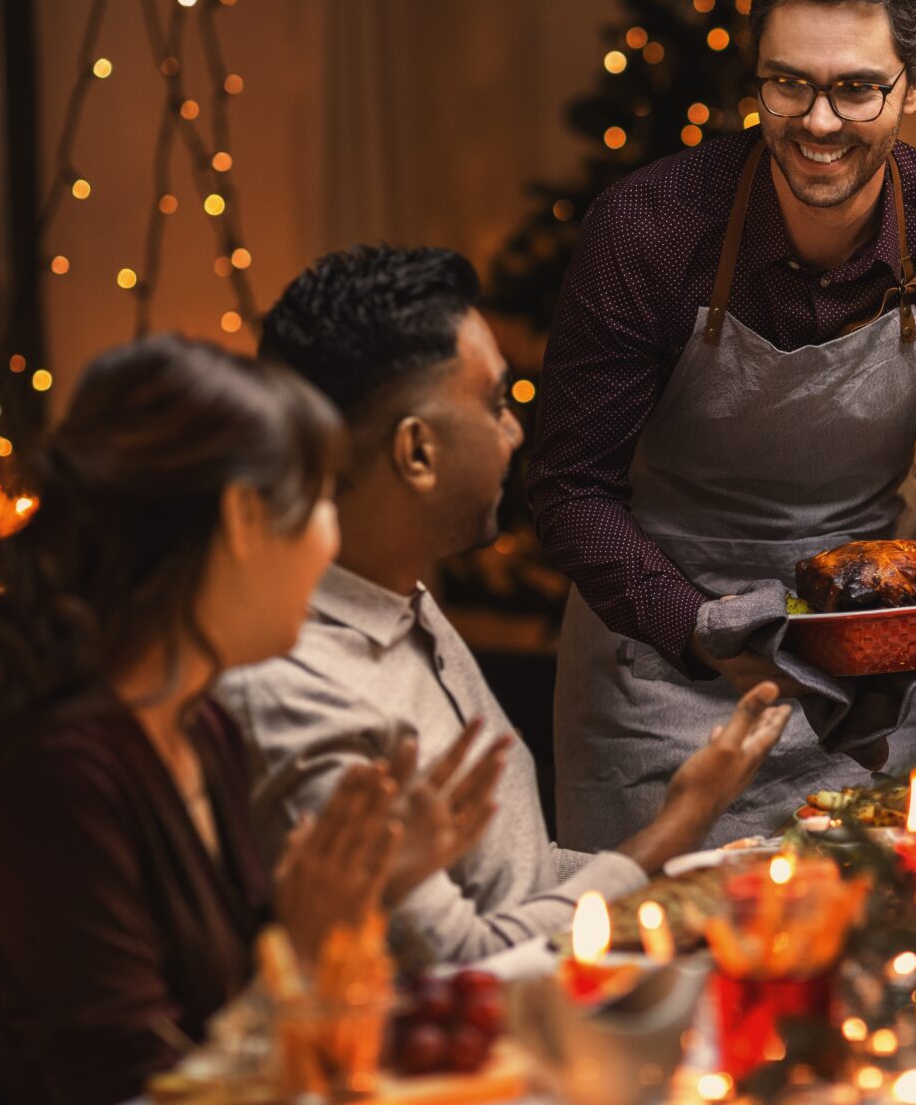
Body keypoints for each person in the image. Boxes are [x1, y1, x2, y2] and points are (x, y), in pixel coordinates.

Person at [0, 336, 502, 1105]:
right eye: (321, 499)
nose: (333, 540)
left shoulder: (201, 727)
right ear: (241, 517)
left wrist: (366, 894)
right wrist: (302, 945)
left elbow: (234, 1015)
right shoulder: (55, 782)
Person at [527, 0, 916, 849]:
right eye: (789, 82)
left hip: (885, 684)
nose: (818, 121)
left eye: (856, 88)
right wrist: (702, 628)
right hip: (661, 679)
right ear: (757, 74)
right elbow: (568, 488)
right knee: (662, 977)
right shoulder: (646, 229)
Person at [221, 245, 790, 966]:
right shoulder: (296, 685)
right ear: (416, 452)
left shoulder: (404, 602)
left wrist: (706, 873)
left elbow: (508, 883)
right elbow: (460, 956)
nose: (515, 432)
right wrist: (677, 827)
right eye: (495, 405)